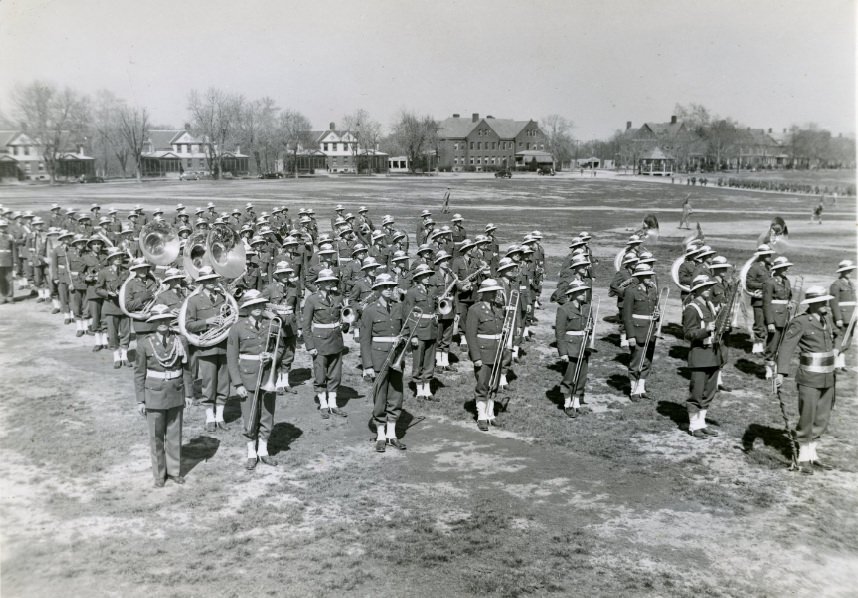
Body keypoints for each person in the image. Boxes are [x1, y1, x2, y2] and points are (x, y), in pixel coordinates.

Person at [775, 287, 840, 473]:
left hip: (828, 377)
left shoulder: (827, 319)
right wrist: (781, 373)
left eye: (827, 301)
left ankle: (812, 454)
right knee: (808, 416)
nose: (826, 304)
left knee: (822, 417)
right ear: (813, 303)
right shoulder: (801, 322)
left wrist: (837, 349)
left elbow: (839, 335)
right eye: (823, 301)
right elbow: (786, 347)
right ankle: (803, 457)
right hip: (809, 377)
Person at [134, 304, 193, 488]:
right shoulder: (145, 343)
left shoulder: (180, 340)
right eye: (159, 320)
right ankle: (159, 474)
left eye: (166, 319)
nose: (163, 323)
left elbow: (186, 369)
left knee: (175, 434)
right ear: (153, 322)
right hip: (154, 393)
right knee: (156, 436)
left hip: (176, 391)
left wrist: (189, 394)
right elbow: (139, 373)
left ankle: (174, 471)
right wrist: (141, 400)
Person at [227, 290, 285, 470]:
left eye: (260, 305)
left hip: (268, 375)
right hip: (247, 376)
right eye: (253, 305)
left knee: (267, 414)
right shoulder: (237, 327)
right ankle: (251, 453)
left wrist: (272, 356)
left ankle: (263, 451)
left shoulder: (272, 325)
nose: (257, 308)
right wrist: (237, 384)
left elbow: (281, 349)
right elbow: (231, 357)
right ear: (247, 308)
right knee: (249, 416)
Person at [361, 273, 411, 452]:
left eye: (391, 286)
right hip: (378, 357)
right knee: (380, 396)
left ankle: (392, 435)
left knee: (396, 395)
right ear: (378, 289)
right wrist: (367, 366)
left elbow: (406, 329)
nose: (389, 289)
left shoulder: (399, 307)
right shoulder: (370, 310)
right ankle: (381, 436)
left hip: (396, 357)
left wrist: (403, 338)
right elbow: (365, 340)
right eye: (385, 287)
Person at [183, 266, 232, 432]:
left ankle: (220, 417)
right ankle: (210, 417)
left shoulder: (223, 297)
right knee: (209, 383)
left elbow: (232, 317)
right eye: (207, 280)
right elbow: (188, 325)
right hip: (206, 347)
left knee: (224, 383)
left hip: (224, 346)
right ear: (202, 283)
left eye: (213, 279)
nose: (211, 282)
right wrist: (207, 322)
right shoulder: (194, 300)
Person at [302, 268, 348, 419]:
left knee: (335, 374)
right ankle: (323, 405)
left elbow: (343, 318)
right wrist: (310, 346)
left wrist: (347, 323)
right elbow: (306, 326)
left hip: (336, 340)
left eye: (331, 281)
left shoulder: (338, 297)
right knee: (320, 374)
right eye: (325, 282)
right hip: (319, 342)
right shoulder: (312, 300)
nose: (329, 284)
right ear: (319, 284)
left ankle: (333, 404)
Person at [683, 275, 722, 438]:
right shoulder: (692, 308)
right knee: (697, 391)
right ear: (697, 289)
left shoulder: (710, 305)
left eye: (710, 286)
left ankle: (701, 423)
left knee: (709, 391)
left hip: (713, 354)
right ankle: (693, 425)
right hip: (700, 355)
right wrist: (705, 330)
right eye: (705, 287)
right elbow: (688, 333)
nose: (708, 289)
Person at [465, 278, 507, 430]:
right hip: (482, 352)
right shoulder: (475, 310)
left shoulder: (498, 308)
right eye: (491, 291)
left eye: (495, 291)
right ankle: (481, 416)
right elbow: (470, 335)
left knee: (494, 384)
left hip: (497, 351)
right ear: (483, 293)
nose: (494, 294)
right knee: (482, 384)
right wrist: (476, 357)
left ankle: (490, 414)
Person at [622, 262, 662, 401]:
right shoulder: (631, 291)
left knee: (647, 360)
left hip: (650, 329)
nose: (649, 277)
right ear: (638, 276)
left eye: (649, 275)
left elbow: (657, 308)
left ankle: (641, 388)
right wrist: (630, 335)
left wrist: (658, 315)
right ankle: (633, 390)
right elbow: (626, 316)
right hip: (637, 330)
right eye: (645, 275)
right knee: (636, 360)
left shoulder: (653, 290)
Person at [555, 281, 593, 418]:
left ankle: (576, 404)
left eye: (585, 291)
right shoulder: (564, 309)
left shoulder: (587, 307)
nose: (584, 294)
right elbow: (559, 333)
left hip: (584, 346)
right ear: (573, 294)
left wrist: (590, 329)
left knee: (582, 376)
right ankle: (567, 404)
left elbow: (591, 324)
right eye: (581, 292)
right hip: (570, 346)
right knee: (569, 376)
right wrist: (563, 352)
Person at [263, 261, 300, 392]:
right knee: (277, 353)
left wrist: (299, 326)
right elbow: (262, 306)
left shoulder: (294, 287)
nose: (285, 275)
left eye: (287, 273)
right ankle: (277, 382)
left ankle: (285, 382)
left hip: (291, 325)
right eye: (282, 273)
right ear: (277, 275)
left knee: (289, 354)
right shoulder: (269, 288)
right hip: (276, 325)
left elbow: (297, 308)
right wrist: (272, 313)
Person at [403, 264, 438, 400]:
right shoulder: (412, 292)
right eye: (424, 276)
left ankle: (427, 390)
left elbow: (434, 309)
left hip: (432, 329)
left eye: (428, 275)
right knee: (418, 360)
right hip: (419, 330)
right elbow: (409, 315)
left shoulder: (432, 290)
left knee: (429, 361)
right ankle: (419, 390)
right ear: (418, 278)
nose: (427, 278)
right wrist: (413, 335)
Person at [96, 248, 131, 368]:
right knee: (113, 333)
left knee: (126, 332)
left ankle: (125, 356)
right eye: (116, 257)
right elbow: (98, 289)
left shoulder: (127, 271)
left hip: (124, 307)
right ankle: (116, 356)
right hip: (111, 306)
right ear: (110, 259)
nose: (119, 259)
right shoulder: (104, 272)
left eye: (120, 256)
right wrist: (107, 293)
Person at [763, 256, 795, 380]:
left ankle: (777, 366)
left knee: (782, 342)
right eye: (784, 268)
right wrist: (770, 322)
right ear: (778, 269)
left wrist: (790, 302)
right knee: (772, 343)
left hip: (785, 317)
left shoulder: (786, 281)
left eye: (787, 267)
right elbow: (766, 303)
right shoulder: (769, 283)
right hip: (775, 317)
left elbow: (789, 296)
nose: (787, 269)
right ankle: (768, 366)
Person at [745, 244, 775, 355]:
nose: (770, 256)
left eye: (770, 254)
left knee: (769, 324)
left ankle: (768, 348)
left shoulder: (770, 267)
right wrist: (763, 286)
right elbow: (749, 283)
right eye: (767, 254)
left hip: (770, 300)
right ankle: (757, 348)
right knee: (759, 325)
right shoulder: (755, 267)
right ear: (761, 256)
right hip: (759, 301)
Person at [829, 260, 856, 371]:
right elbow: (833, 303)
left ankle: (841, 364)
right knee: (839, 339)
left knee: (848, 339)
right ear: (842, 272)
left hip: (852, 316)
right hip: (843, 316)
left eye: (850, 270)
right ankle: (835, 364)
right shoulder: (836, 285)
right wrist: (838, 318)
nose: (849, 272)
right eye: (847, 270)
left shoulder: (851, 283)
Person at [0, 219, 17, 304]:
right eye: (1, 227)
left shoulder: (10, 237)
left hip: (8, 260)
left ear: (6, 227)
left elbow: (14, 249)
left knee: (9, 279)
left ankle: (10, 297)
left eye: (4, 226)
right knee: (1, 279)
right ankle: (3, 297)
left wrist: (15, 261)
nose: (2, 228)